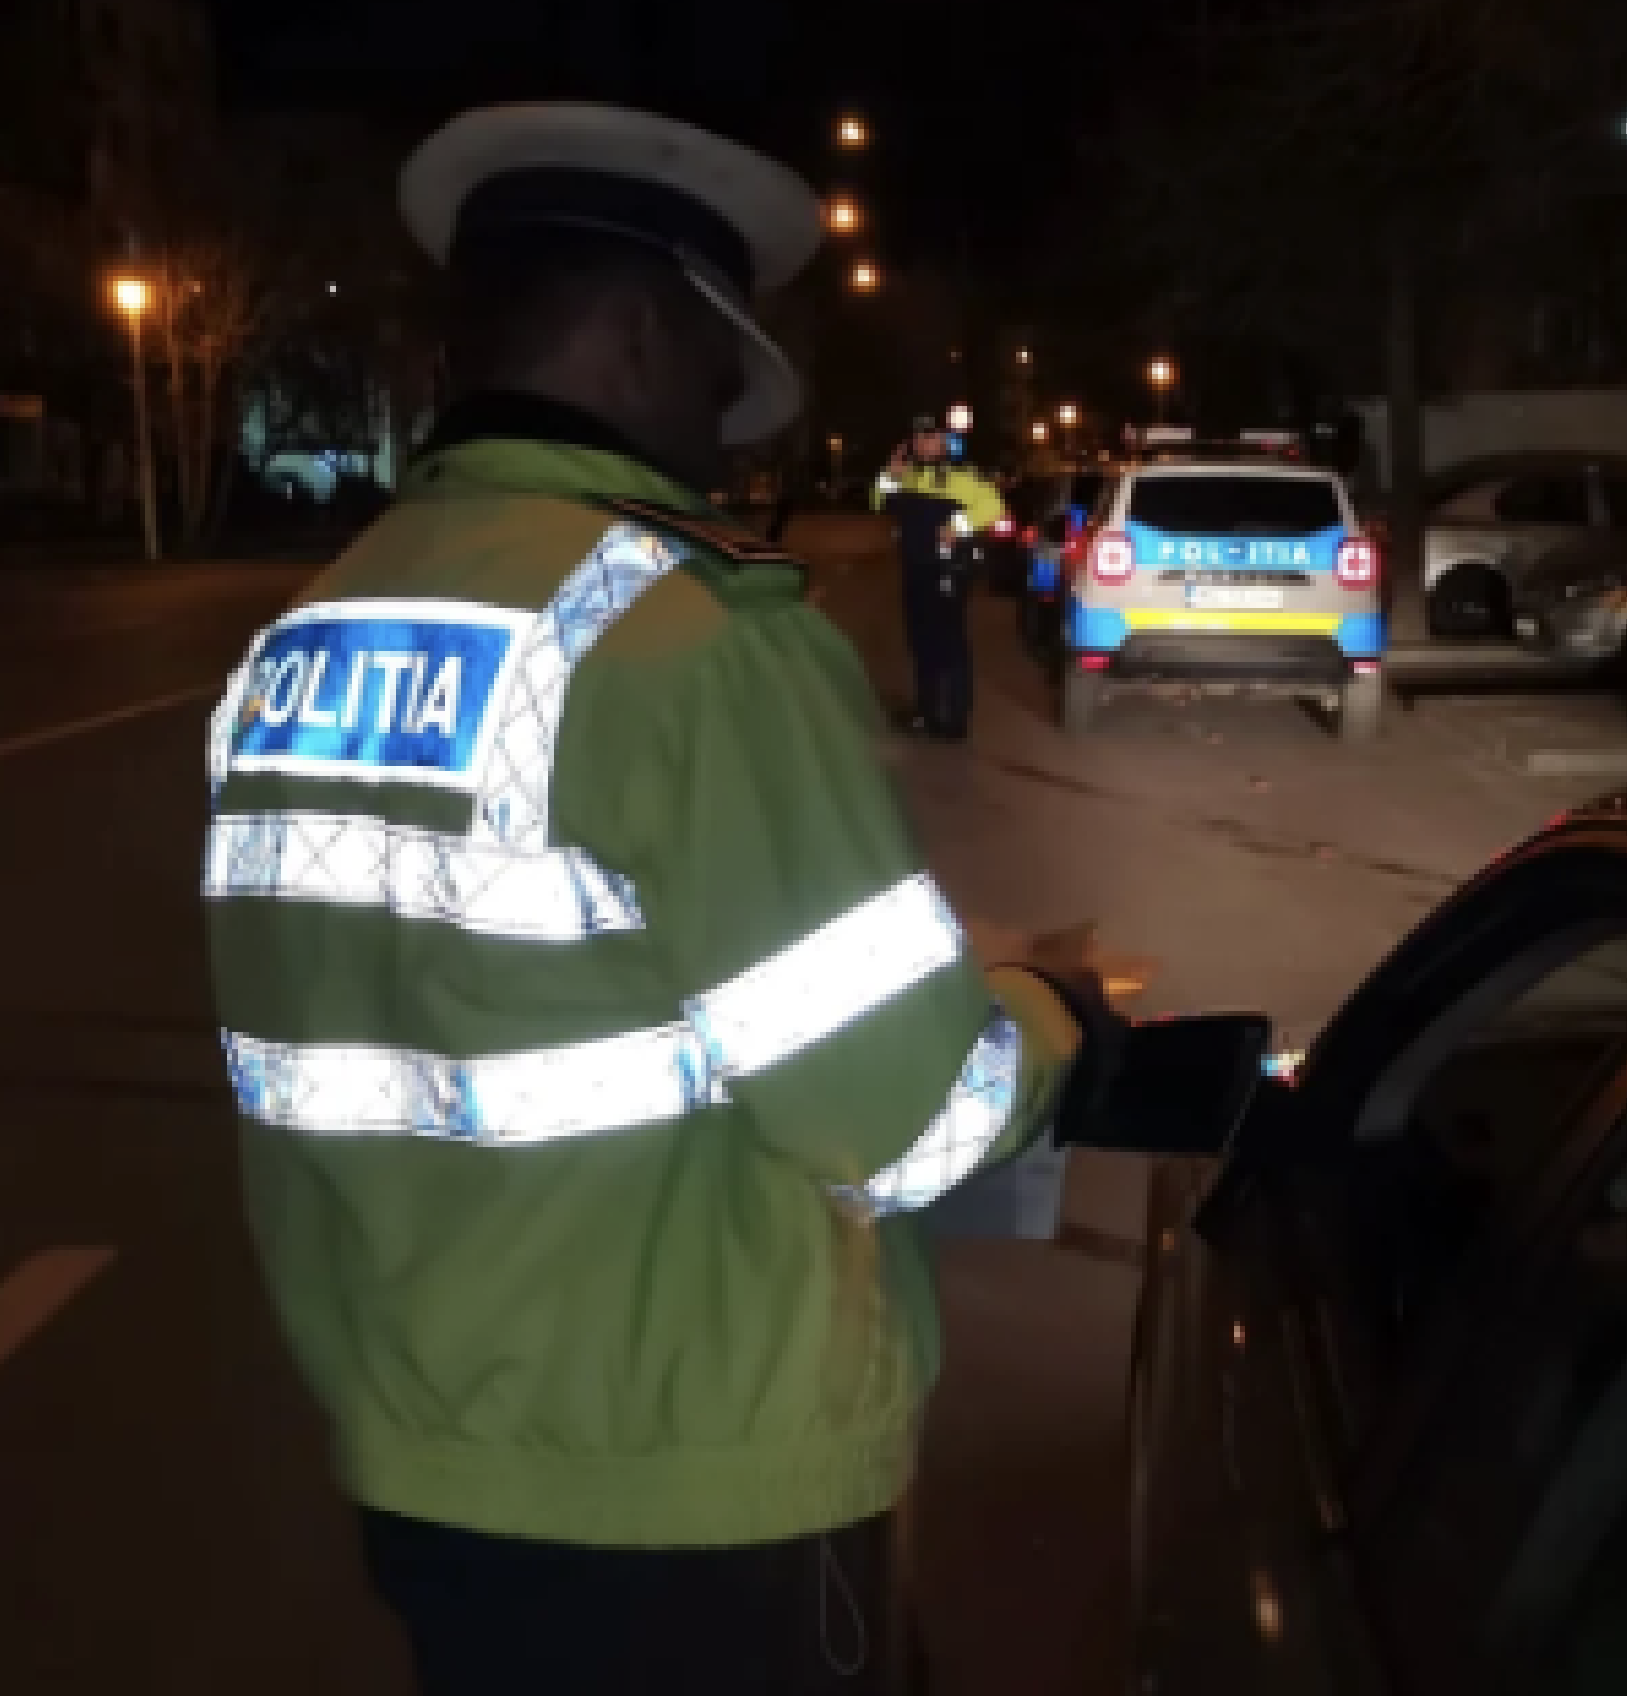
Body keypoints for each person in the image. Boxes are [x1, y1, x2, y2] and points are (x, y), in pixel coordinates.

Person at [199, 102, 1104, 1696]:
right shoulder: (692, 646)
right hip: (698, 1495)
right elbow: (904, 1119)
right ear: (633, 334)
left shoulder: (302, 647)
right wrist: (1051, 1020)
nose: (727, 434)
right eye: (713, 374)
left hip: (425, 1468)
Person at [871, 415, 1004, 740]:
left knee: (949, 641)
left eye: (930, 437)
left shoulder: (962, 475)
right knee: (920, 641)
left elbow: (994, 507)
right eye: (918, 438)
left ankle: (955, 719)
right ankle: (927, 711)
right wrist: (889, 474)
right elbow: (879, 503)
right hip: (915, 569)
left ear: (943, 441)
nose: (922, 443)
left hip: (947, 572)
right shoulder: (908, 474)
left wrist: (956, 526)